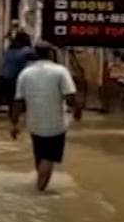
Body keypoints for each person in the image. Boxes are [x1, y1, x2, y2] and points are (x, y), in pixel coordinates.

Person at [11, 43, 81, 192]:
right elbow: (70, 97)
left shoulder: (25, 73)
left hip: (34, 124)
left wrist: (14, 123)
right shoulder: (60, 71)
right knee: (49, 157)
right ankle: (40, 190)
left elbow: (18, 101)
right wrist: (77, 110)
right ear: (51, 54)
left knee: (40, 156)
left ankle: (39, 182)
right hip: (55, 124)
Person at [0, 30, 33, 118]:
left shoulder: (10, 49)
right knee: (12, 102)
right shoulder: (27, 51)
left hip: (1, 76)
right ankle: (13, 120)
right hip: (12, 78)